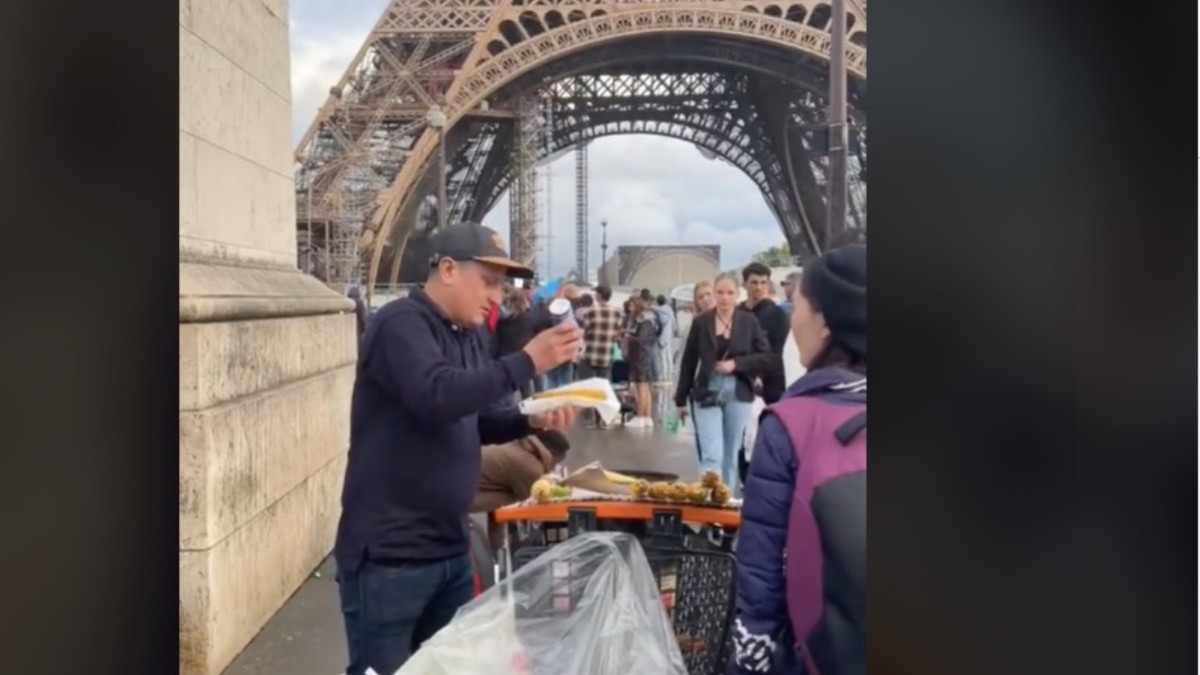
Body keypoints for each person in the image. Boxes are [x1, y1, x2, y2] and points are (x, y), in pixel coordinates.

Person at [334, 222, 583, 675]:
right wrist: (528, 360)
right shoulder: (399, 325)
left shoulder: (467, 335)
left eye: (502, 284)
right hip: (391, 557)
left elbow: (471, 417)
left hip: (448, 548)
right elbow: (438, 395)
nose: (497, 295)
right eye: (488, 282)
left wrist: (531, 417)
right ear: (448, 269)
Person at [731, 245, 866, 675]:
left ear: (825, 321)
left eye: (799, 304)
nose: (793, 319)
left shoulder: (791, 424)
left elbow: (761, 580)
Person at [675, 272, 772, 488]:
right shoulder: (702, 322)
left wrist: (736, 364)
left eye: (730, 293)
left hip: (737, 389)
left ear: (737, 294)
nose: (724, 298)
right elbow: (689, 361)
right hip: (708, 389)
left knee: (731, 453)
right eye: (720, 292)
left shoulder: (748, 321)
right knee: (712, 454)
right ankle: (708, 504)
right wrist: (680, 399)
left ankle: (724, 505)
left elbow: (765, 356)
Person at [471, 429, 571, 549]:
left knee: (509, 499)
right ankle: (501, 552)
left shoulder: (520, 445)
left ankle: (497, 552)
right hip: (462, 494)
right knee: (517, 502)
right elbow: (534, 506)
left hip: (463, 482)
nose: (553, 467)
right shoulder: (530, 467)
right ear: (551, 452)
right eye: (556, 462)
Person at [739, 262, 790, 405]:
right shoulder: (737, 313)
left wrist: (759, 375)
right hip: (740, 383)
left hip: (771, 388)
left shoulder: (777, 315)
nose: (759, 287)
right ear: (745, 284)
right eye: (754, 282)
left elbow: (777, 352)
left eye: (763, 282)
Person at [577, 285, 623, 426]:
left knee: (589, 387)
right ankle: (604, 418)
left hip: (590, 355)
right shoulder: (617, 313)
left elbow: (585, 332)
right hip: (606, 355)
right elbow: (617, 335)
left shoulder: (590, 312)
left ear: (599, 295)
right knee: (605, 387)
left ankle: (591, 417)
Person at [495, 289, 540, 399]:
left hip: (505, 361)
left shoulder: (501, 322)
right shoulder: (529, 319)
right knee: (528, 396)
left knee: (508, 399)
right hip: (524, 360)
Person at [624, 294, 659, 428]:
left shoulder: (643, 319)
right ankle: (647, 417)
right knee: (645, 387)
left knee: (641, 386)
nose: (630, 309)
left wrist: (628, 337)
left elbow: (642, 339)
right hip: (645, 354)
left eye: (632, 305)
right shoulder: (650, 318)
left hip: (640, 355)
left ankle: (640, 416)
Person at [652, 294, 677, 387]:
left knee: (662, 357)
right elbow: (674, 325)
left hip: (661, 337)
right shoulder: (670, 312)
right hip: (669, 336)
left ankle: (664, 376)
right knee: (669, 356)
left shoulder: (657, 312)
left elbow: (658, 325)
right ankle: (670, 375)